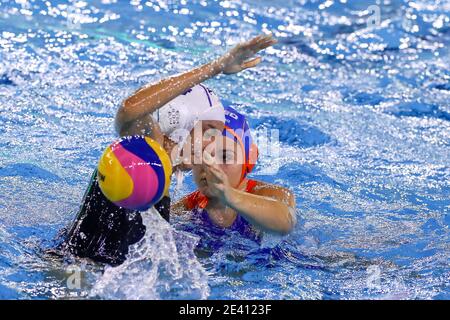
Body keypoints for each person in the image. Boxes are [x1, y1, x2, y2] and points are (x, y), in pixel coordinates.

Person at [58, 34, 278, 266]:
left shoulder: (165, 169)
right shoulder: (145, 147)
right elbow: (128, 110)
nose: (213, 146)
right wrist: (216, 67)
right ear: (181, 120)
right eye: (210, 131)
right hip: (70, 274)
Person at [172, 105, 296, 243]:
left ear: (248, 160)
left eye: (225, 157)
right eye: (201, 155)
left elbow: (286, 223)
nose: (210, 167)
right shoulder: (186, 210)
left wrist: (229, 195)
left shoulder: (272, 194)